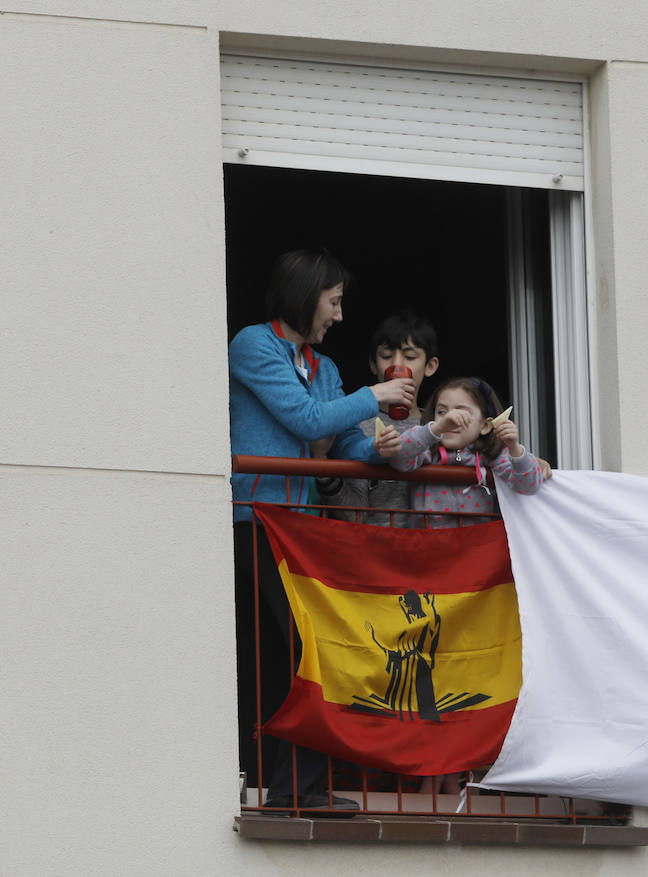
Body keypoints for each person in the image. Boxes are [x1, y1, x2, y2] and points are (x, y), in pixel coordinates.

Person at [229, 248, 416, 812]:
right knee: (296, 653)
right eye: (333, 301)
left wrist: (380, 443)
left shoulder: (325, 367)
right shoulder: (253, 344)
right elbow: (306, 422)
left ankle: (296, 787)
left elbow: (342, 442)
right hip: (259, 521)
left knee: (307, 654)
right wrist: (374, 397)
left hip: (304, 528)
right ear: (306, 294)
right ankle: (288, 790)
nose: (338, 314)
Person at [315, 310, 440, 527]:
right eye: (386, 356)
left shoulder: (439, 427)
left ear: (430, 366)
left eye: (410, 357)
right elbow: (354, 514)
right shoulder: (357, 426)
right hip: (371, 550)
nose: (397, 365)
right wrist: (322, 466)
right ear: (373, 365)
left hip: (429, 550)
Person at [388, 377, 543, 528]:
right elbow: (398, 457)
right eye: (442, 412)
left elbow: (528, 486)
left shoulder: (490, 454)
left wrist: (515, 448)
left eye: (462, 413)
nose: (451, 419)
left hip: (475, 547)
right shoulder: (426, 450)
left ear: (485, 426)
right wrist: (435, 429)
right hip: (428, 546)